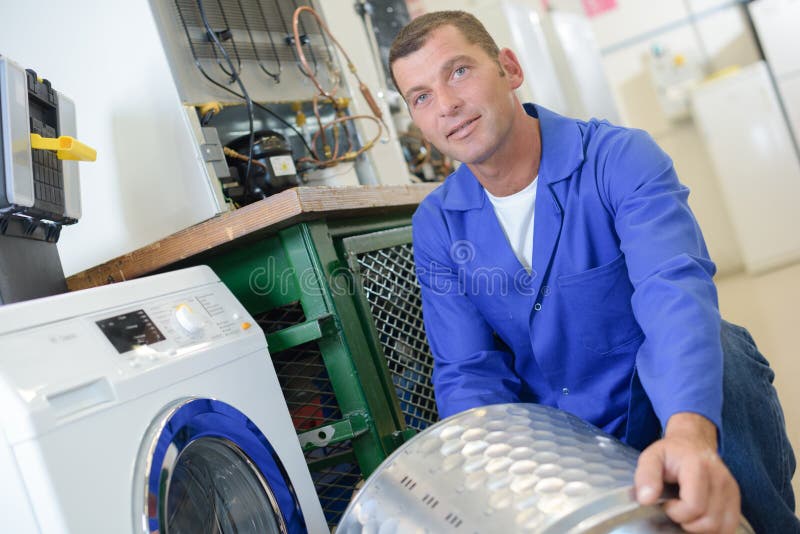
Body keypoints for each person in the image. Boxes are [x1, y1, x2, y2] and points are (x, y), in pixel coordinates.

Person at [389, 10, 798, 534]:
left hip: (662, 405)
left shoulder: (619, 158)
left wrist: (689, 434)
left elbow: (673, 293)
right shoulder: (438, 225)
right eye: (421, 96)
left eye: (459, 72)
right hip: (563, 440)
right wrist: (495, 490)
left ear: (509, 69)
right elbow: (468, 371)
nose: (446, 105)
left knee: (724, 350)